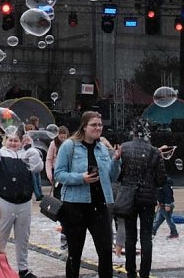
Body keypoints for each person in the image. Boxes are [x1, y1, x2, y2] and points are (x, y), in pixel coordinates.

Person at [54, 111, 122, 278]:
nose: (98, 128)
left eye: (100, 125)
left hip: (100, 205)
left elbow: (112, 177)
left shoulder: (102, 148)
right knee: (74, 253)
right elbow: (59, 174)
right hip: (75, 206)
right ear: (84, 127)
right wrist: (81, 178)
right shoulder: (70, 146)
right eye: (93, 125)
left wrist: (116, 161)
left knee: (105, 252)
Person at [0, 131, 44, 278]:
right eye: (10, 140)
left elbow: (38, 167)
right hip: (4, 200)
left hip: (24, 201)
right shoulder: (0, 154)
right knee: (0, 236)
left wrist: (30, 148)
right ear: (5, 141)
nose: (13, 143)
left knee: (23, 237)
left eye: (16, 140)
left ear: (21, 142)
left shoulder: (26, 154)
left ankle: (23, 269)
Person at [117, 125, 166, 278]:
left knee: (130, 236)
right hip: (148, 198)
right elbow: (161, 179)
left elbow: (118, 174)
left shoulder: (123, 148)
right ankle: (145, 272)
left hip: (129, 197)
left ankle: (130, 271)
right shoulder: (154, 151)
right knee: (146, 236)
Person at [44, 125, 70, 250]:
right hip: (57, 177)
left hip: (66, 176)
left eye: (65, 137)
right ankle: (64, 233)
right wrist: (49, 173)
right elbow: (49, 160)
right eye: (61, 137)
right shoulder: (53, 144)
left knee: (67, 206)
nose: (63, 139)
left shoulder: (70, 144)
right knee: (59, 205)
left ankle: (66, 234)